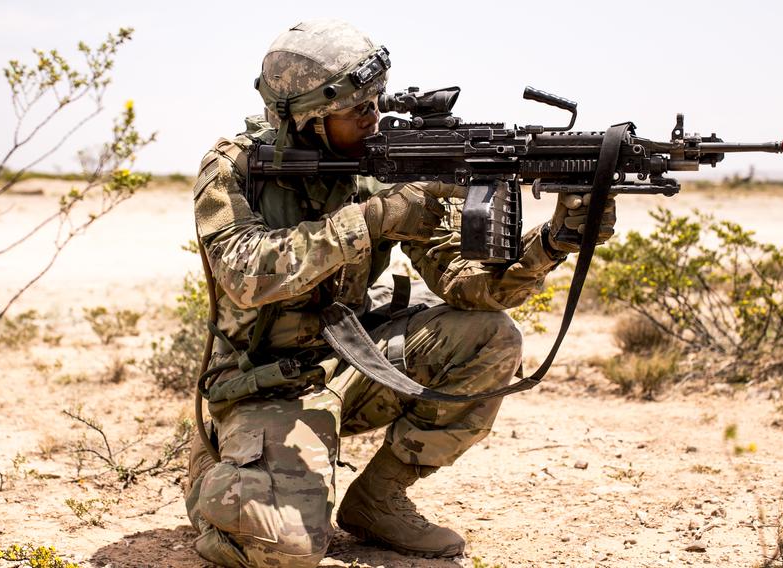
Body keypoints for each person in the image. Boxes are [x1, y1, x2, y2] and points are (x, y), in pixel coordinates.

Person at [185, 18, 616, 568]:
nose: (374, 117)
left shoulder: (387, 167)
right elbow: (245, 275)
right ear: (307, 118)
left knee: (489, 338)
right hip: (262, 382)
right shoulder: (236, 169)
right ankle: (213, 464)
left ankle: (377, 501)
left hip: (354, 361)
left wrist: (553, 244)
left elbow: (465, 283)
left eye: (376, 102)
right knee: (285, 553)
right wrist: (373, 218)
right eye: (357, 109)